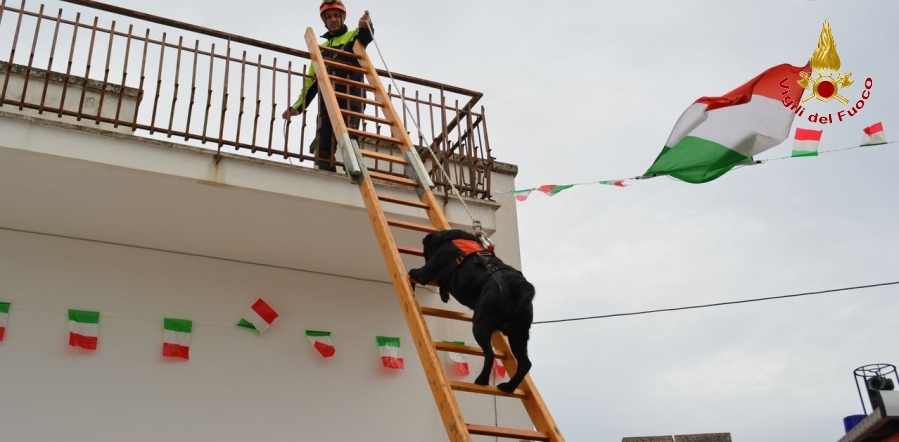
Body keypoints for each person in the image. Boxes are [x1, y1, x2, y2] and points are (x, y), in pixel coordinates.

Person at [281, 0, 374, 172]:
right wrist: (297, 107)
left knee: (349, 139)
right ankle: (326, 174)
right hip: (327, 101)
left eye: (336, 16)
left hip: (350, 97)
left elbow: (366, 36)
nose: (333, 20)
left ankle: (353, 175)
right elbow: (310, 82)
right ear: (324, 20)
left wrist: (366, 25)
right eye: (329, 16)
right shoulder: (320, 49)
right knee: (324, 140)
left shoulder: (354, 35)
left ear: (343, 17)